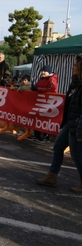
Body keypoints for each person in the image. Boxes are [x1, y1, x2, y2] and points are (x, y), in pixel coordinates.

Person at [36, 55, 82, 193]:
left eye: (75, 65)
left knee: (77, 155)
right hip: (71, 122)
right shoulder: (76, 83)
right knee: (57, 147)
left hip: (78, 125)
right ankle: (52, 177)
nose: (73, 67)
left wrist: (80, 130)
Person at [31, 65, 58, 143]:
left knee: (48, 119)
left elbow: (51, 88)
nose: (42, 72)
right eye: (42, 71)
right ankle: (37, 135)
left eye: (44, 71)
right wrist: (34, 87)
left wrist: (38, 89)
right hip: (41, 102)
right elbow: (37, 86)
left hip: (50, 102)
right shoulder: (41, 79)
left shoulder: (52, 78)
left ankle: (47, 136)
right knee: (37, 116)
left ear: (48, 72)